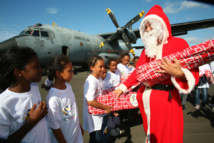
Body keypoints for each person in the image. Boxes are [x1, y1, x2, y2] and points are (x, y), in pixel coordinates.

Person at [115, 5, 199, 143]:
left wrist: (180, 73)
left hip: (167, 101)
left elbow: (193, 71)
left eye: (151, 26)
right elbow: (137, 73)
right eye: (145, 27)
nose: (148, 30)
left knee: (169, 137)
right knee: (150, 135)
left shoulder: (179, 44)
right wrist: (121, 88)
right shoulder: (145, 51)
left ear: (161, 25)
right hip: (145, 100)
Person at [0, 47, 50, 143]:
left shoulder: (34, 87)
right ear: (19, 72)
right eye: (36, 66)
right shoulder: (3, 104)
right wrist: (31, 121)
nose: (41, 70)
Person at [46, 54, 83, 143]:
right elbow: (55, 127)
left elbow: (73, 110)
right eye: (69, 71)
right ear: (58, 73)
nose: (72, 73)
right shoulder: (53, 98)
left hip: (76, 138)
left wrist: (79, 126)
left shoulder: (68, 87)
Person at [83, 55, 111, 143]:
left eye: (104, 66)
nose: (103, 69)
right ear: (92, 67)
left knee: (102, 135)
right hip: (94, 117)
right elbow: (90, 101)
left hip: (101, 114)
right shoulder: (91, 81)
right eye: (100, 66)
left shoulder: (99, 78)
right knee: (97, 138)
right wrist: (106, 107)